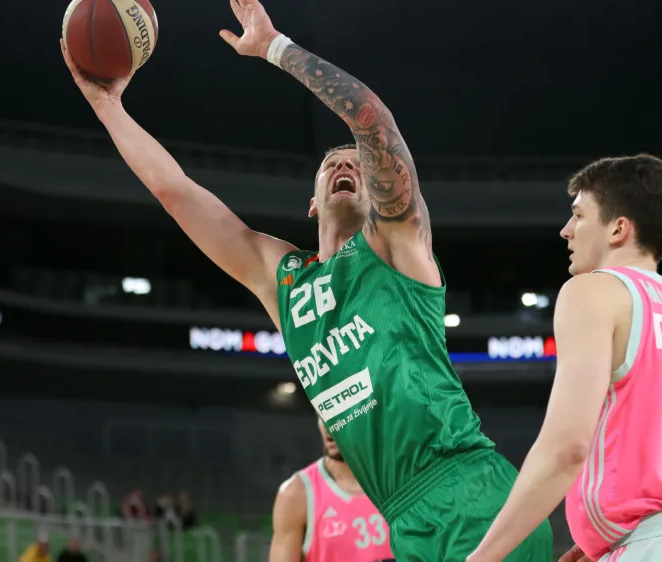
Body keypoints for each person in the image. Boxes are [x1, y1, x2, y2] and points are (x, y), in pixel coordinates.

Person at [60, 0, 553, 558]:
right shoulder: (282, 279)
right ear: (313, 204)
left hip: (469, 492)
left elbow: (372, 119)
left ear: (377, 194)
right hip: (404, 518)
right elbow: (176, 193)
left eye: (358, 165)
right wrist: (106, 105)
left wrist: (276, 48)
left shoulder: (398, 244)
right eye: (330, 164)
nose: (346, 166)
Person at [467, 155, 662, 562]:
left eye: (578, 215)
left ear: (617, 229)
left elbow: (566, 449)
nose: (566, 230)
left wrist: (481, 557)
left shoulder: (591, 292)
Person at [270, 421, 395, 562]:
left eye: (336, 412)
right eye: (320, 412)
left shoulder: (404, 479)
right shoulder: (296, 493)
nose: (327, 424)